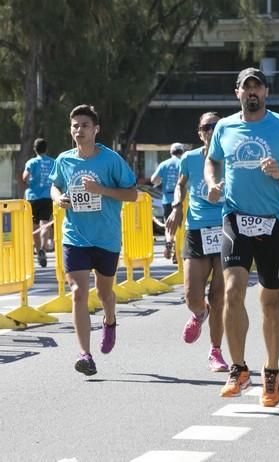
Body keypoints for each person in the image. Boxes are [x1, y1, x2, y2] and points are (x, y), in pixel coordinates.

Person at [205, 67, 279, 407]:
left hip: (275, 223)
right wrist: (212, 183)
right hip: (235, 218)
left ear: (266, 92)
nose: (252, 93)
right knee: (232, 291)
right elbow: (212, 162)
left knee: (270, 302)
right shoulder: (224, 127)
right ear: (236, 92)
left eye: (257, 87)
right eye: (245, 87)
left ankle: (272, 371)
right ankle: (238, 369)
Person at [49, 104, 137, 376]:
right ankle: (84, 354)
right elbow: (55, 184)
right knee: (78, 293)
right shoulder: (64, 160)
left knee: (104, 293)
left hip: (106, 237)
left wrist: (99, 189)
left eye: (84, 125)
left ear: (96, 129)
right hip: (75, 236)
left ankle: (109, 321)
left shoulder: (110, 160)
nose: (79, 130)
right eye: (75, 125)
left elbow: (132, 194)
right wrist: (57, 198)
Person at [166, 112, 228, 372]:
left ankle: (215, 352)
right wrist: (177, 205)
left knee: (218, 296)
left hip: (228, 229)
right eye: (206, 127)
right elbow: (181, 185)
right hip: (197, 230)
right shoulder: (189, 159)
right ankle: (198, 314)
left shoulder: (232, 158)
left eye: (216, 126)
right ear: (199, 132)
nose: (211, 130)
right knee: (193, 296)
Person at [23, 138, 55, 267]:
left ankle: (37, 250)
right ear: (46, 149)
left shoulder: (31, 162)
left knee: (34, 225)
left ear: (35, 149)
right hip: (47, 196)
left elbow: (25, 177)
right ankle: (43, 248)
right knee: (45, 223)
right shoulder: (53, 162)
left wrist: (30, 182)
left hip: (32, 197)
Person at [151, 142, 184, 260]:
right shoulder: (183, 162)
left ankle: (169, 242)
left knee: (169, 225)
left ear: (171, 152)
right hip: (181, 199)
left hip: (167, 199)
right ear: (182, 152)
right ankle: (178, 253)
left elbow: (154, 180)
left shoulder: (164, 164)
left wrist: (161, 181)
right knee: (181, 226)